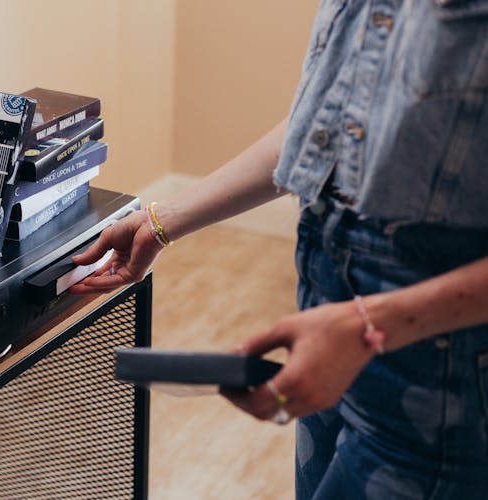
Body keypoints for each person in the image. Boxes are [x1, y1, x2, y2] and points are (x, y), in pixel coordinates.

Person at [70, 2, 488, 498]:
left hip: (438, 375)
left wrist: (366, 326)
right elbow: (318, 126)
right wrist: (162, 222)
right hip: (327, 316)